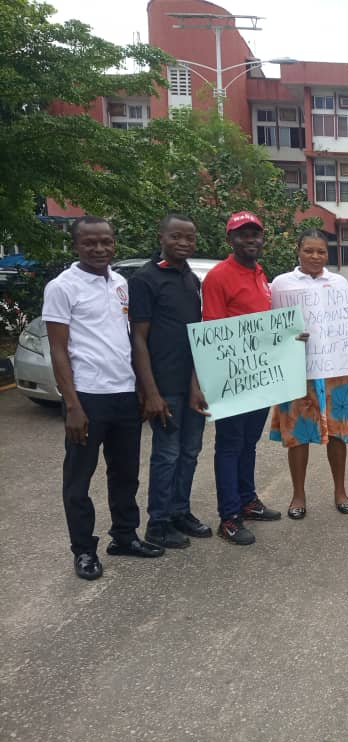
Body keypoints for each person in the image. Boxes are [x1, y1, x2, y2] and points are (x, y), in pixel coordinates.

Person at [43, 216, 164, 580]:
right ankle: (83, 551)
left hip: (123, 395)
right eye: (90, 243)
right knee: (78, 480)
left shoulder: (121, 283)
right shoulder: (62, 287)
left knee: (125, 473)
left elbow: (126, 341)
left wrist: (142, 390)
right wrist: (73, 405)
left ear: (114, 243)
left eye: (105, 242)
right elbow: (58, 350)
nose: (99, 249)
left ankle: (124, 536)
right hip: (88, 398)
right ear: (76, 245)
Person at [129, 214, 213, 549]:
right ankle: (158, 522)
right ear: (161, 237)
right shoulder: (145, 279)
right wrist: (150, 392)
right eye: (176, 236)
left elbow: (197, 336)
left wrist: (196, 383)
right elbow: (138, 339)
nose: (184, 243)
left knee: (190, 452)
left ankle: (180, 511)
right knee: (167, 454)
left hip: (191, 383)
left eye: (189, 238)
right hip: (163, 387)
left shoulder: (190, 279)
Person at [198, 211, 281, 545]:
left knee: (249, 443)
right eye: (243, 235)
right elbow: (215, 331)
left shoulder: (260, 273)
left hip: (260, 375)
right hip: (232, 377)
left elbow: (265, 322)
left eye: (255, 234)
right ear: (230, 239)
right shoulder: (218, 277)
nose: (250, 240)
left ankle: (248, 500)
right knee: (230, 446)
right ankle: (229, 516)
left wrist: (287, 336)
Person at [269, 230, 348, 519]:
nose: (315, 256)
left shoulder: (338, 282)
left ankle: (340, 490)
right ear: (298, 250)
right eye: (309, 250)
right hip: (297, 368)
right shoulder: (281, 284)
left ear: (328, 254)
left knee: (338, 431)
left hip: (335, 368)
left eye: (321, 252)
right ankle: (298, 495)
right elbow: (272, 324)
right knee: (297, 433)